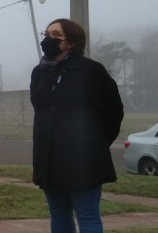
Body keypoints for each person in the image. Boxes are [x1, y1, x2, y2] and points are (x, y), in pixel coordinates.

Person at [30, 18, 124, 233]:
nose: (49, 39)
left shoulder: (91, 71)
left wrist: (94, 143)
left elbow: (113, 112)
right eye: (46, 35)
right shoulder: (39, 72)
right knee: (58, 212)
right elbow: (41, 111)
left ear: (71, 42)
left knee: (87, 215)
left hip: (83, 158)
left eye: (56, 35)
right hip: (49, 157)